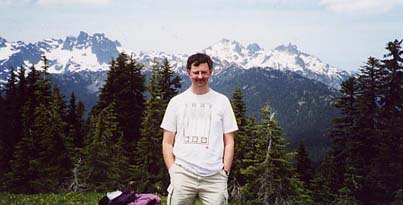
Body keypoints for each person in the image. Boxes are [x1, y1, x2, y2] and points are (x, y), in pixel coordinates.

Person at [161, 53, 238, 205]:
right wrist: (173, 171)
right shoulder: (176, 102)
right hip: (182, 174)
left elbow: (229, 141)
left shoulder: (222, 102)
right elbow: (167, 141)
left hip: (214, 176)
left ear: (211, 72)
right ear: (188, 73)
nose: (200, 76)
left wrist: (225, 172)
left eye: (204, 72)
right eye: (196, 72)